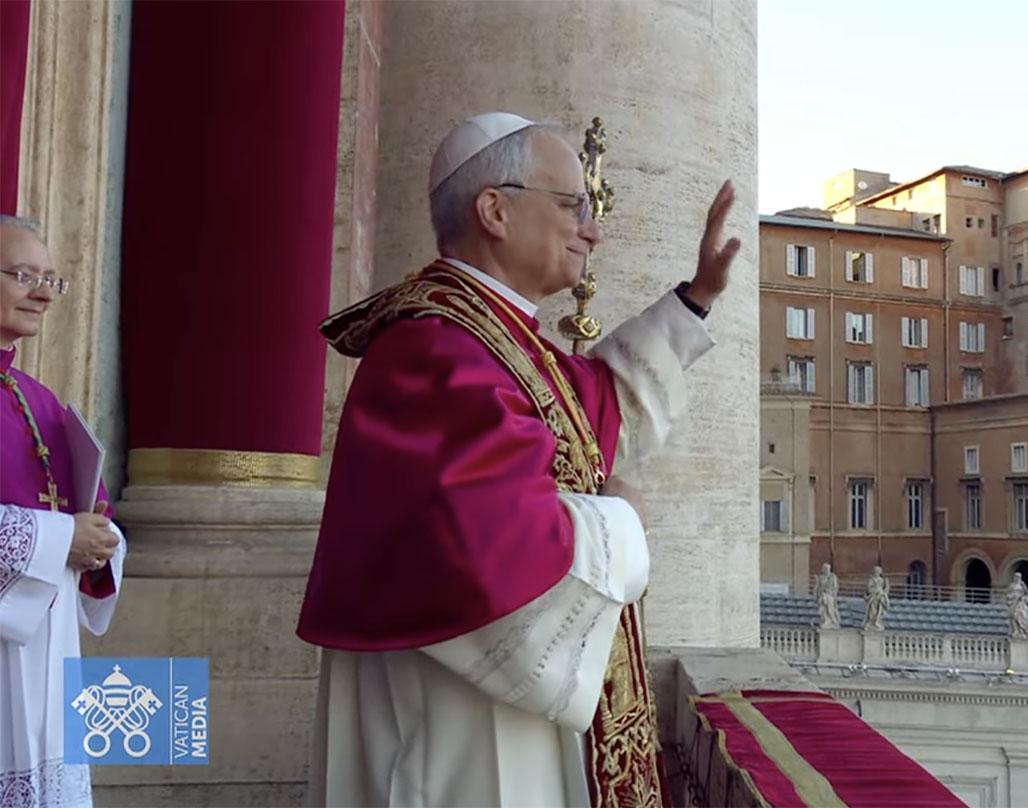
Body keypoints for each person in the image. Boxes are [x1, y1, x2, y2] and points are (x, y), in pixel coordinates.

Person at [296, 112, 741, 807]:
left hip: (486, 712)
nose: (593, 230)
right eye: (572, 205)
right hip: (458, 728)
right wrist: (622, 522)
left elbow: (595, 411)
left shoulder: (488, 333)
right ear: (495, 210)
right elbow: (491, 549)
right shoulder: (437, 348)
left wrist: (698, 298)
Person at [0, 215, 126, 808]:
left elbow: (89, 513)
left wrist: (101, 543)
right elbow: (61, 532)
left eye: (51, 279)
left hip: (47, 646)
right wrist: (59, 539)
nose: (45, 294)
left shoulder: (38, 398)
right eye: (24, 275)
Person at [863, 565, 890, 632]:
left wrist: (883, 591)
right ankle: (871, 622)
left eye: (878, 571)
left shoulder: (882, 580)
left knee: (880, 607)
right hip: (873, 597)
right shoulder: (871, 580)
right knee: (872, 610)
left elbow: (885, 589)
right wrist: (876, 591)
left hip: (880, 597)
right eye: (876, 571)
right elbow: (869, 589)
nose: (877, 572)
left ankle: (877, 621)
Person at [1006, 572, 1028, 639]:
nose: (1017, 578)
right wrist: (1011, 597)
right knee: (1013, 617)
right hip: (1013, 603)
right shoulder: (1011, 586)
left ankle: (1024, 631)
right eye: (1016, 577)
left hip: (1020, 604)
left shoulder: (1022, 585)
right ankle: (1016, 631)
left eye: (1019, 577)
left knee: (1021, 617)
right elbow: (1008, 595)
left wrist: (1024, 598)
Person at [816, 562, 841, 628]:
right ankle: (826, 620)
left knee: (830, 608)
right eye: (824, 568)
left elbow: (835, 587)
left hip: (830, 595)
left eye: (827, 568)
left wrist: (832, 593)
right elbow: (818, 587)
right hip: (823, 595)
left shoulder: (833, 577)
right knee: (824, 608)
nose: (825, 570)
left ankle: (833, 620)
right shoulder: (821, 577)